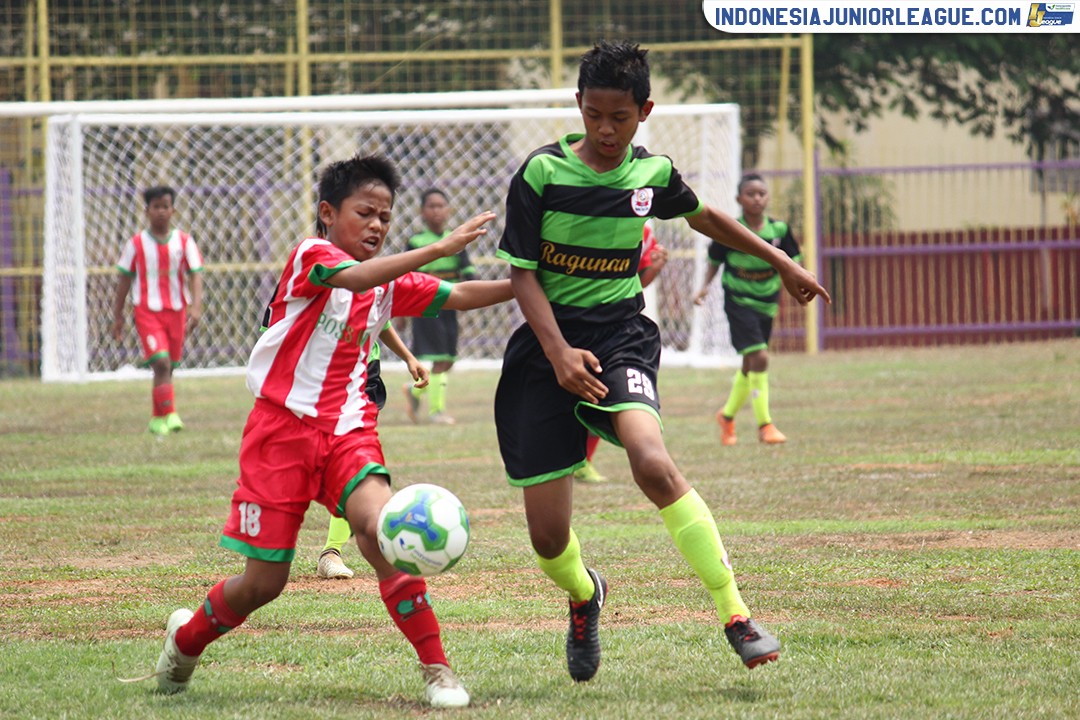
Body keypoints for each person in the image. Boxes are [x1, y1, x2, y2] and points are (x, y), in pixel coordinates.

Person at [493, 41, 830, 682]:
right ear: (578, 106)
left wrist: (782, 261)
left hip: (622, 334)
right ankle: (586, 596)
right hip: (546, 352)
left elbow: (706, 217)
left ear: (644, 111)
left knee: (652, 460)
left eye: (619, 117)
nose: (605, 129)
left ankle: (738, 617)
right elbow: (522, 276)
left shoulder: (651, 175)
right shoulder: (541, 174)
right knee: (546, 538)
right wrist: (559, 351)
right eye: (594, 114)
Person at [144, 154, 512, 708]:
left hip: (348, 432)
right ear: (327, 212)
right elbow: (355, 276)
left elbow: (457, 295)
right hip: (279, 434)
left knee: (383, 533)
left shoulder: (385, 281)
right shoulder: (311, 257)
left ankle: (438, 669)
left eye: (385, 217)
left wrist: (532, 283)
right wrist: (438, 248)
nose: (377, 226)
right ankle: (186, 641)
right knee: (263, 585)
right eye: (365, 213)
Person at [692, 173, 801, 446]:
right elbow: (715, 260)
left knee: (749, 364)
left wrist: (801, 282)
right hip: (738, 301)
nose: (757, 198)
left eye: (762, 193)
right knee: (760, 357)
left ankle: (726, 417)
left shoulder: (779, 231)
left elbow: (794, 263)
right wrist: (704, 286)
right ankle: (766, 426)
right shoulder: (730, 229)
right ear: (739, 199)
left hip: (767, 301)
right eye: (751, 193)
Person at [317, 323, 429, 580]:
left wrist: (408, 357)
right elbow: (274, 329)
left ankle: (331, 551)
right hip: (317, 373)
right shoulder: (302, 285)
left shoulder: (371, 286)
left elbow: (378, 319)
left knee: (356, 463)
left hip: (364, 372)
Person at [574, 223, 668, 484]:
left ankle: (584, 460)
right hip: (577, 320)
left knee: (602, 392)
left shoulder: (645, 234)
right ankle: (568, 459)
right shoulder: (588, 223)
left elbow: (635, 283)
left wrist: (655, 268)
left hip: (617, 329)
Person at [111, 185, 204, 436]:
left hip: (176, 311)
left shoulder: (184, 241)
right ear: (147, 211)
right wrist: (117, 314)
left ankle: (156, 418)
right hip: (146, 311)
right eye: (156, 207)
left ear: (173, 210)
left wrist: (196, 307)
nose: (161, 212)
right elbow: (124, 280)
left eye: (165, 206)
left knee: (168, 366)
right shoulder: (136, 243)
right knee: (161, 363)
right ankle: (171, 413)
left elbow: (195, 274)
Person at [401, 188, 477, 425]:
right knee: (439, 358)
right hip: (425, 303)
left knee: (448, 359)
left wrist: (475, 294)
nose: (437, 211)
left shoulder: (455, 240)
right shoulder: (416, 242)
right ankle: (436, 411)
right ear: (422, 212)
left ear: (448, 210)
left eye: (441, 205)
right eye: (431, 206)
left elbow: (468, 272)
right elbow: (405, 275)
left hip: (450, 305)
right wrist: (403, 311)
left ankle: (414, 391)